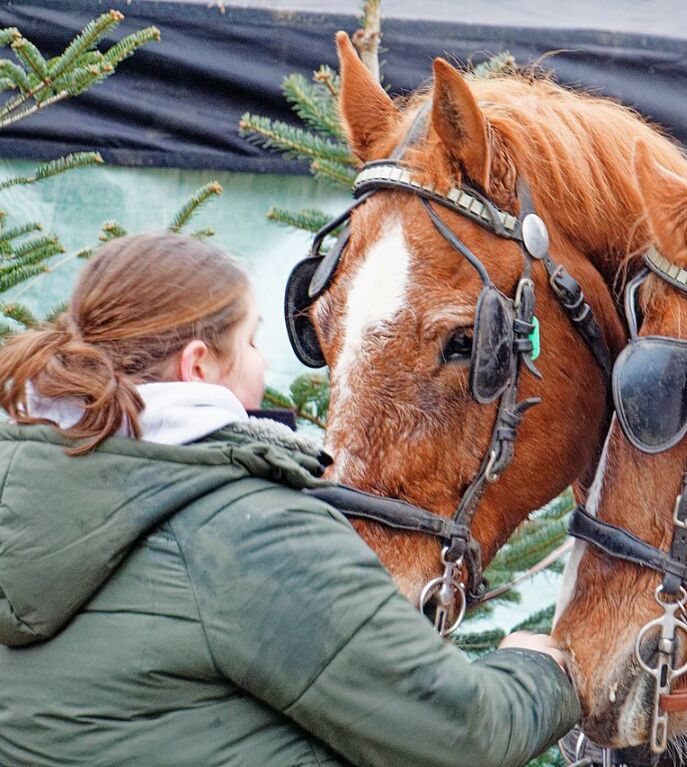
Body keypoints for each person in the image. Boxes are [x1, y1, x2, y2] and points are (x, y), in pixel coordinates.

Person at [0, 232, 579, 766]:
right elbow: (461, 735)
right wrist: (539, 671)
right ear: (197, 365)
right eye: (251, 341)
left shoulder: (29, 490)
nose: (266, 361)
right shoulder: (250, 530)